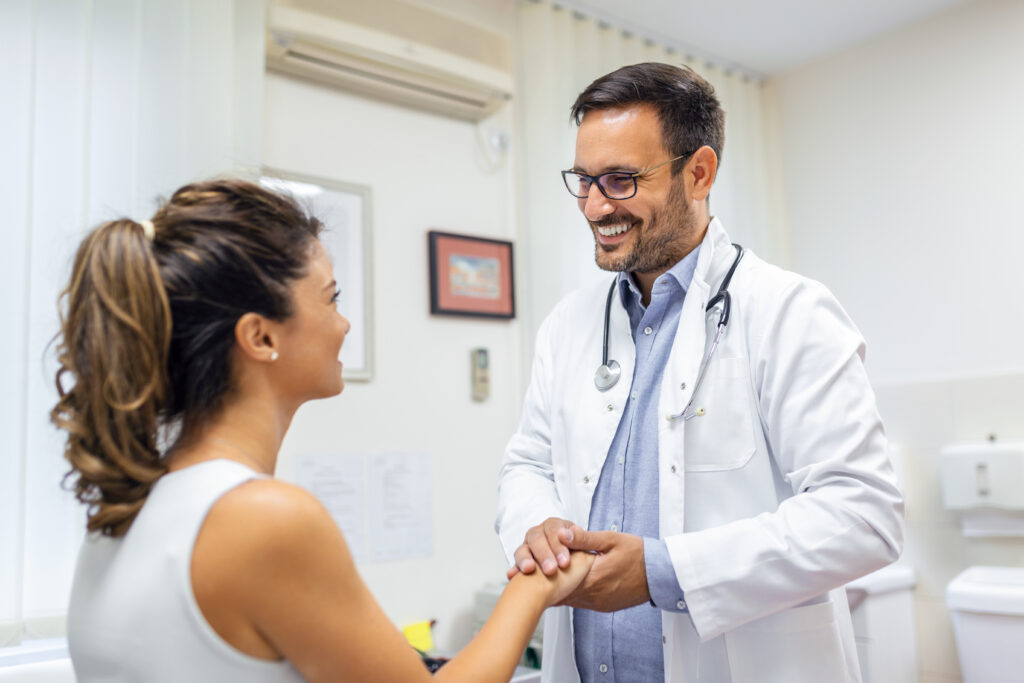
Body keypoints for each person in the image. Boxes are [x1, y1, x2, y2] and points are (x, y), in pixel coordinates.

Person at [53, 179, 592, 683]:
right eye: (331, 298)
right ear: (261, 337)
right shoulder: (263, 520)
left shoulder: (126, 507)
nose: (344, 323)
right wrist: (536, 584)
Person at [495, 63, 905, 683]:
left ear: (700, 172)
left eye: (622, 180)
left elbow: (863, 515)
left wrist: (665, 572)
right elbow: (527, 463)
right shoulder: (568, 326)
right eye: (584, 180)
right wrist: (539, 528)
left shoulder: (789, 311)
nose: (596, 205)